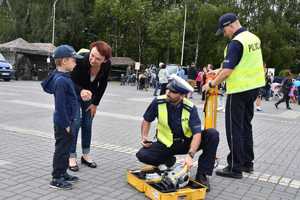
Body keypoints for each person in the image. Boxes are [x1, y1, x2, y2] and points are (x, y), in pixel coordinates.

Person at [203, 13, 265, 179]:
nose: (224, 34)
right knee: (246, 126)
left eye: (223, 31)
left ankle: (234, 167)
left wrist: (211, 83)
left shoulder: (236, 43)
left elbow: (229, 70)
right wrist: (217, 70)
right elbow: (241, 62)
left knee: (234, 129)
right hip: (253, 88)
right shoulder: (253, 38)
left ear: (229, 26)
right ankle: (247, 163)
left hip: (238, 90)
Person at [136, 75, 219, 191]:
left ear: (182, 95)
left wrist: (190, 155)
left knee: (212, 134)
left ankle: (202, 175)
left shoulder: (190, 107)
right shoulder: (158, 102)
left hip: (186, 143)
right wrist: (144, 137)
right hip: (166, 144)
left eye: (173, 92)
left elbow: (197, 134)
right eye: (168, 89)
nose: (168, 93)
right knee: (142, 154)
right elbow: (146, 120)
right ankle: (168, 161)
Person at [41, 45, 82, 189]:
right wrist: (67, 125)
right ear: (64, 61)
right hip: (63, 123)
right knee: (61, 150)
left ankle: (63, 173)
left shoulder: (63, 77)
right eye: (74, 60)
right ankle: (56, 178)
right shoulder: (61, 81)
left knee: (66, 148)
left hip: (67, 121)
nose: (76, 63)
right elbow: (60, 106)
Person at [69, 41, 112, 171]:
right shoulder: (81, 60)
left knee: (87, 123)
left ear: (105, 60)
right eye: (92, 55)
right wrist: (81, 91)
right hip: (74, 93)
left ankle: (86, 155)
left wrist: (95, 104)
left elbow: (103, 84)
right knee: (75, 123)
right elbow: (70, 80)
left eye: (98, 58)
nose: (92, 59)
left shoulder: (107, 65)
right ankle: (71, 156)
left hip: (90, 96)